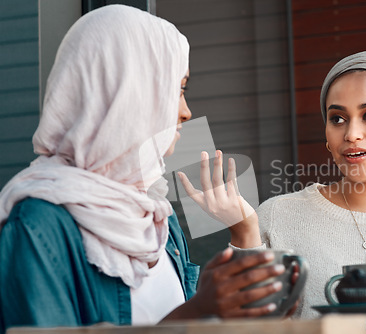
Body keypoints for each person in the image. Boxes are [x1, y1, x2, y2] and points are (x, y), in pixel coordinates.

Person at [0, 5, 286, 332]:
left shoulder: (156, 220)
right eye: (176, 90)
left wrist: (245, 231)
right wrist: (198, 310)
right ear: (128, 94)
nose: (186, 111)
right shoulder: (37, 226)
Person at [188, 50, 366, 319]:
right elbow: (244, 325)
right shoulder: (278, 216)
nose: (351, 134)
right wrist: (244, 233)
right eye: (337, 118)